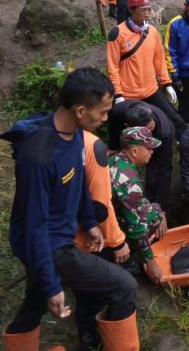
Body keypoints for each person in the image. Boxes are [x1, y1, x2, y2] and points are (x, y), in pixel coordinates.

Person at [0, 68, 139, 351]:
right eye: (102, 113)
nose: (104, 119)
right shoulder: (38, 157)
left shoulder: (74, 134)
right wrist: (53, 284)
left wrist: (89, 222)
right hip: (50, 244)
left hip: (58, 235)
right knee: (124, 285)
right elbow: (34, 226)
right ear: (80, 110)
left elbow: (77, 185)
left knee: (36, 297)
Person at [73, 129, 131, 350]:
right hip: (90, 238)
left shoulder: (55, 138)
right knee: (102, 288)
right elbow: (101, 206)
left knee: (84, 286)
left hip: (64, 232)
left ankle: (88, 329)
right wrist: (117, 241)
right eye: (103, 111)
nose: (106, 118)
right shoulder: (93, 147)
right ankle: (92, 332)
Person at [107, 0, 187, 141]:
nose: (148, 13)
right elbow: (112, 68)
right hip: (128, 94)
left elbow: (159, 60)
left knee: (174, 118)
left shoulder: (153, 32)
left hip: (150, 89)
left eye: (149, 9)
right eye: (143, 10)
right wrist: (118, 95)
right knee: (124, 126)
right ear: (131, 10)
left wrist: (167, 83)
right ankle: (116, 151)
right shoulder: (117, 34)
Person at [109, 126, 168, 284]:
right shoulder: (128, 181)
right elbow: (137, 227)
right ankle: (123, 260)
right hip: (106, 229)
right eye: (149, 148)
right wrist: (151, 263)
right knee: (153, 213)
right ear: (134, 151)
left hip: (109, 216)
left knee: (155, 209)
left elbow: (137, 203)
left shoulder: (116, 159)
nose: (152, 151)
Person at [108, 100, 176, 211]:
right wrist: (113, 147)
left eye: (151, 126)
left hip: (161, 139)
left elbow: (165, 171)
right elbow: (113, 127)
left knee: (154, 174)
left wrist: (162, 208)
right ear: (128, 127)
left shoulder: (164, 133)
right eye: (146, 130)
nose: (150, 130)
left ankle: (146, 204)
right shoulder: (118, 111)